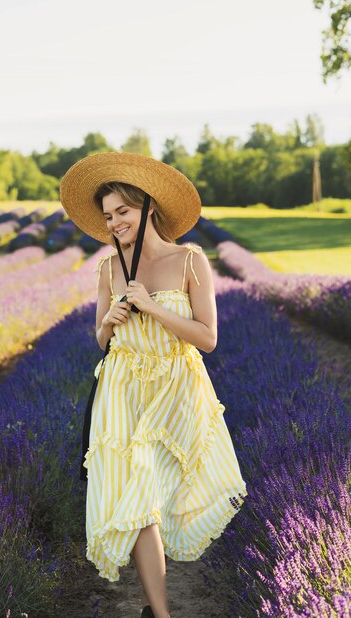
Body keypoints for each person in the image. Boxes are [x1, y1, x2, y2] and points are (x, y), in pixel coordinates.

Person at [60, 152, 248, 618]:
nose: (114, 223)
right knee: (140, 497)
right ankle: (160, 613)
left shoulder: (190, 260)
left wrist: (153, 306)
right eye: (107, 216)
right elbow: (102, 338)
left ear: (147, 208)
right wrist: (110, 319)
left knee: (164, 495)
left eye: (122, 211)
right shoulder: (107, 269)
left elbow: (207, 338)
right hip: (122, 388)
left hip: (176, 387)